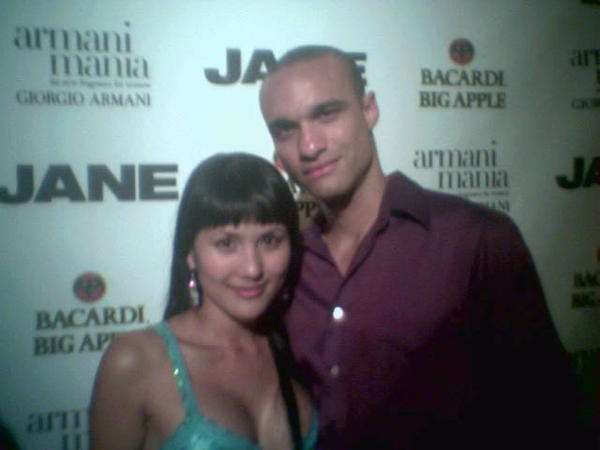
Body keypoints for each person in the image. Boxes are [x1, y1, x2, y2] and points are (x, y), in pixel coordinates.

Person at [259, 46, 584, 449]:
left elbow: (551, 413)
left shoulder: (476, 239)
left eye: (326, 114)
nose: (308, 145)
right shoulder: (284, 265)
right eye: (285, 130)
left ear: (369, 109)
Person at [89, 153, 318, 450]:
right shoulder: (137, 361)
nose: (253, 268)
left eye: (269, 240)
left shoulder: (300, 347)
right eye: (226, 243)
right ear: (190, 253)